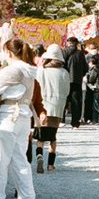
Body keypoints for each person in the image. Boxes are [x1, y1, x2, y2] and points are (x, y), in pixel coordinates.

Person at [0, 38, 42, 199]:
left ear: (8, 52)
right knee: (20, 159)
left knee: (0, 159)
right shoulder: (29, 70)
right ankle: (27, 197)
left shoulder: (12, 71)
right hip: (23, 116)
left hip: (7, 116)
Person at [35, 43, 72, 173]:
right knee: (52, 137)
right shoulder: (64, 73)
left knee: (40, 136)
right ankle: (51, 165)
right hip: (57, 106)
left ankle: (39, 156)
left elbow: (36, 87)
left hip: (43, 106)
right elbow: (67, 90)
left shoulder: (42, 71)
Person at [63, 36, 87, 128]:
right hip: (77, 80)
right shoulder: (80, 54)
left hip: (65, 79)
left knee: (64, 100)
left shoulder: (64, 52)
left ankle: (62, 120)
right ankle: (75, 122)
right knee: (76, 102)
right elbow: (85, 68)